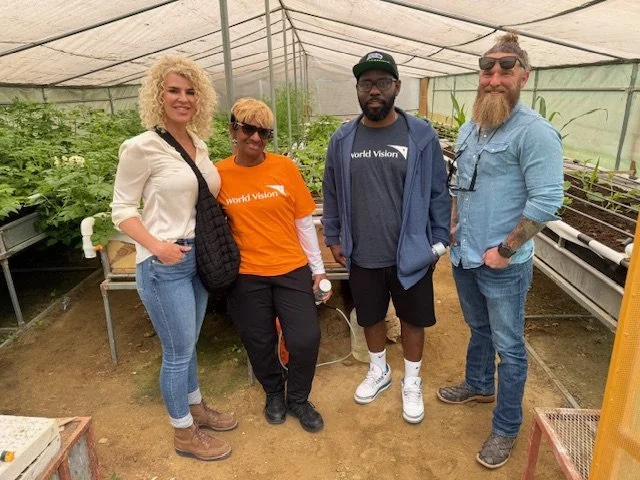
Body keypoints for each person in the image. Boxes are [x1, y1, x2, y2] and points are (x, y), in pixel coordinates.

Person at [436, 33, 564, 469]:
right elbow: (462, 184)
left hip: (501, 263)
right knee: (478, 327)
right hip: (465, 254)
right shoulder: (470, 127)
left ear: (523, 76)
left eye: (505, 69)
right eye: (487, 69)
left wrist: (506, 250)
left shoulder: (535, 133)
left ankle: (506, 426)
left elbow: (546, 202)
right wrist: (454, 223)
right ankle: (477, 383)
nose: (494, 78)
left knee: (509, 346)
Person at [111, 56, 237, 462]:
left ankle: (196, 406)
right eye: (173, 90)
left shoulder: (198, 145)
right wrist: (159, 246)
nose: (183, 99)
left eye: (190, 91)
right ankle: (184, 433)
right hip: (164, 262)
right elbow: (122, 209)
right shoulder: (141, 147)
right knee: (177, 351)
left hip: (198, 255)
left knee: (189, 343)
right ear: (157, 96)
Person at [322, 51, 450, 424]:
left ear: (396, 87)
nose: (373, 90)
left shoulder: (420, 136)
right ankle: (379, 370)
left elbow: (438, 192)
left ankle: (412, 379)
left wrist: (438, 241)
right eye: (366, 84)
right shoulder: (343, 138)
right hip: (362, 250)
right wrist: (333, 235)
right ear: (358, 90)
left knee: (413, 319)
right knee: (370, 315)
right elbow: (330, 190)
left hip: (410, 251)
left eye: (381, 83)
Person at [216, 98, 331, 433]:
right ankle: (273, 394)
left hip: (291, 268)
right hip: (246, 274)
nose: (255, 138)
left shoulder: (284, 168)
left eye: (263, 132)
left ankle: (297, 397)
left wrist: (318, 269)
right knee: (259, 339)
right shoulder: (218, 174)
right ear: (233, 131)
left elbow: (304, 222)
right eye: (248, 129)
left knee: (305, 337)